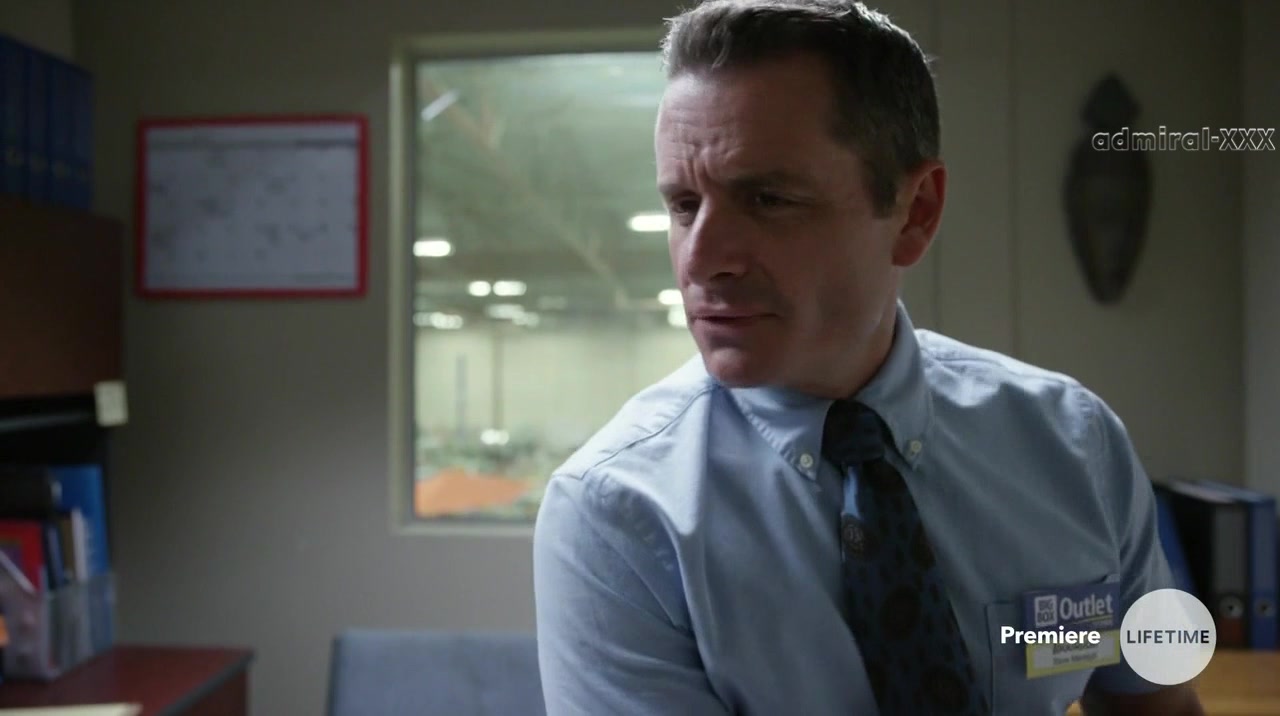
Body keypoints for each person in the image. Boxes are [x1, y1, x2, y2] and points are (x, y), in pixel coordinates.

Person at [532, 1, 1205, 714]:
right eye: (683, 205)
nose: (701, 259)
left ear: (915, 213)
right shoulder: (620, 515)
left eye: (767, 199)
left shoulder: (1071, 443)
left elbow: (1154, 703)